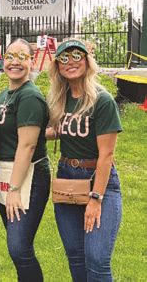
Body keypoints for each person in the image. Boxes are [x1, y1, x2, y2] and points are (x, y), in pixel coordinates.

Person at [47, 38, 122, 282]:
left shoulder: (102, 100)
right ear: (58, 66)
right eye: (64, 58)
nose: (71, 62)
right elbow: (61, 130)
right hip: (67, 177)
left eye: (77, 56)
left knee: (97, 260)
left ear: (87, 61)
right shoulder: (60, 98)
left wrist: (96, 199)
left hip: (97, 180)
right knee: (76, 256)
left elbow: (106, 155)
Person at [0, 38, 50, 282]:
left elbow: (27, 145)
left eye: (21, 57)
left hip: (28, 177)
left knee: (19, 247)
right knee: (18, 246)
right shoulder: (4, 95)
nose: (14, 62)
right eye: (9, 56)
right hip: (5, 173)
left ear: (32, 61)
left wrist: (14, 190)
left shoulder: (29, 96)